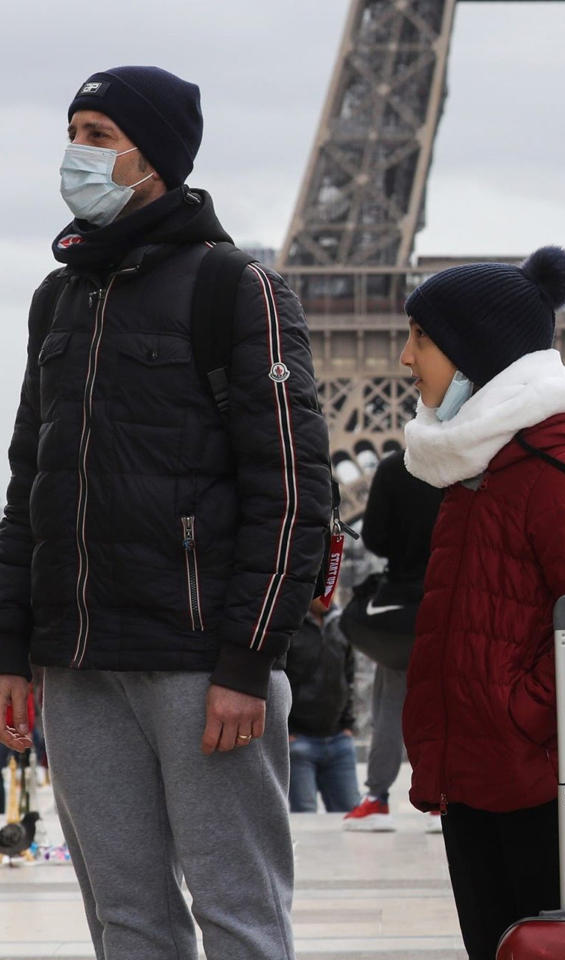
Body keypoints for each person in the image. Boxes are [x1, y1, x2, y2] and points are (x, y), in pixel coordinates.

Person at [0, 67, 331, 960]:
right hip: (78, 664)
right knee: (127, 921)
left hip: (200, 665)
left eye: (99, 135)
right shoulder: (57, 298)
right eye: (73, 132)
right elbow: (31, 483)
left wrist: (248, 659)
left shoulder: (236, 288)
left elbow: (292, 488)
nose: (77, 153)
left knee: (239, 914)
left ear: (156, 156)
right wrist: (12, 647)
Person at [398, 246, 565, 960]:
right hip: (475, 773)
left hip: (535, 781)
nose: (406, 358)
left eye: (421, 338)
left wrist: (525, 713)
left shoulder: (544, 465)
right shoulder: (480, 464)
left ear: (475, 350)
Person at [342, 451, 445, 833]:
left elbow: (374, 537)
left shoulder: (392, 468)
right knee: (449, 701)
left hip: (401, 603)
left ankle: (377, 798)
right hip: (452, 597)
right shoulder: (463, 462)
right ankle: (443, 798)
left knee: (389, 697)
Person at [286, 598, 360, 814]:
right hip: (299, 742)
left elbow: (349, 677)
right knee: (305, 819)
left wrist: (348, 726)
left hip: (339, 741)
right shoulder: (289, 625)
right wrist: (287, 731)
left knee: (351, 817)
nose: (328, 593)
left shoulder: (342, 623)